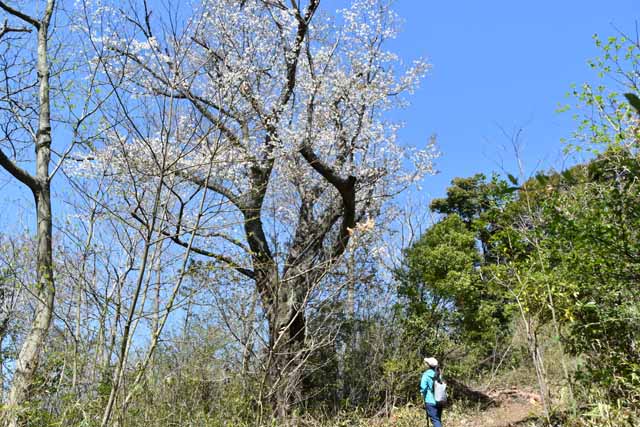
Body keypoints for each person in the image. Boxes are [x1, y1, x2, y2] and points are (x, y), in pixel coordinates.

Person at [420, 357, 443, 427]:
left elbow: (423, 387)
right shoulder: (439, 373)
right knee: (438, 420)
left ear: (428, 365)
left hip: (430, 400)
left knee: (435, 421)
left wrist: (422, 394)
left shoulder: (426, 374)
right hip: (439, 400)